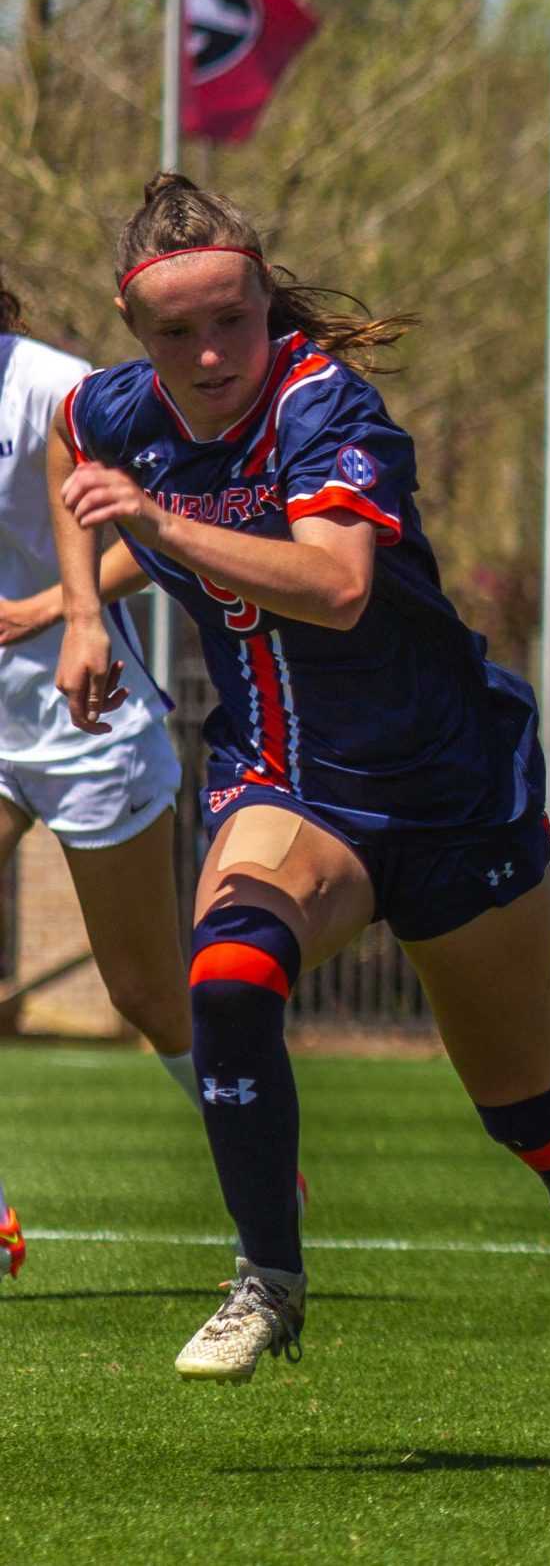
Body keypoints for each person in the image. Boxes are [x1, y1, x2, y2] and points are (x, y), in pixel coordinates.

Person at [49, 175, 550, 1382]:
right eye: (175, 332)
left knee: (525, 1105)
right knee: (230, 979)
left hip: (453, 793)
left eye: (231, 320)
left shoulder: (324, 401)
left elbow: (339, 587)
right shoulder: (116, 413)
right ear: (137, 334)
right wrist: (83, 612)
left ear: (267, 305)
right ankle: (270, 1279)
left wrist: (160, 525)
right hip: (290, 789)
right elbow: (69, 451)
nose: (208, 352)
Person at [0, 262, 230, 1282]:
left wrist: (57, 612)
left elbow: (157, 532)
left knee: (146, 994)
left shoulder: (57, 392)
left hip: (90, 722)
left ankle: (255, 1146)